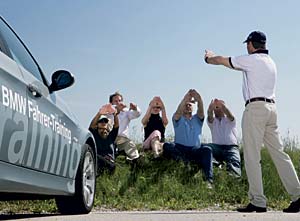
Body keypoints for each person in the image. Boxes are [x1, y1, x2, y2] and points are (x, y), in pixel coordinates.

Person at [204, 30, 300, 212]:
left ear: (251, 44)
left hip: (255, 109)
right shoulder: (271, 62)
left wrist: (209, 58)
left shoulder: (251, 60)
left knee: (251, 156)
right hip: (272, 109)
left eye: (247, 44)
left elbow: (223, 61)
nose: (247, 47)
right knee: (280, 155)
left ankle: (258, 201)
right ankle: (298, 195)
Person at [163, 89, 213, 186]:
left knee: (207, 149)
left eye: (190, 104)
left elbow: (201, 111)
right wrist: (185, 99)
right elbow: (178, 112)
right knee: (167, 145)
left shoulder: (197, 119)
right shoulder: (177, 118)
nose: (187, 106)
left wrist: (199, 99)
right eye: (186, 105)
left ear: (193, 108)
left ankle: (208, 181)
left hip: (195, 150)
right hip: (180, 148)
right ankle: (186, 164)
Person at [206, 98, 241, 177]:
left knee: (234, 162)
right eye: (216, 107)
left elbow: (229, 114)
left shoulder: (230, 119)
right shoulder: (212, 122)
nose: (217, 108)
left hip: (231, 147)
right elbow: (209, 115)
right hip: (217, 148)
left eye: (220, 106)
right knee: (205, 148)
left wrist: (222, 105)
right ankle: (217, 165)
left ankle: (234, 179)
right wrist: (210, 108)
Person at [109, 92, 141, 162]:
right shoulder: (108, 112)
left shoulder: (126, 111)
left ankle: (135, 160)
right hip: (110, 138)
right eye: (116, 101)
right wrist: (117, 110)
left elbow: (137, 114)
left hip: (123, 139)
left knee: (130, 145)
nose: (118, 103)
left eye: (120, 101)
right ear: (111, 103)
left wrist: (135, 108)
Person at [89, 104, 119, 174]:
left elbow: (116, 125)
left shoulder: (111, 136)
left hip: (110, 164)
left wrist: (115, 114)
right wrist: (99, 114)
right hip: (97, 162)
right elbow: (92, 126)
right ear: (97, 125)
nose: (103, 123)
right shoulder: (95, 134)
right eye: (101, 121)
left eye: (105, 122)